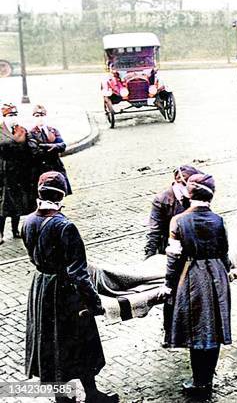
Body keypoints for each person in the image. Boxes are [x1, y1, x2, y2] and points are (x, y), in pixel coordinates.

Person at [22, 171, 117, 403]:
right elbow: (78, 273)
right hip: (66, 293)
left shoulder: (27, 222)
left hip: (41, 288)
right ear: (62, 195)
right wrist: (95, 303)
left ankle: (63, 398)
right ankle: (92, 394)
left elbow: (34, 258)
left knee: (50, 343)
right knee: (81, 341)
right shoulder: (65, 227)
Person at [157, 173, 231, 399]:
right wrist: (224, 271)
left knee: (196, 328)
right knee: (215, 326)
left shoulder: (178, 221)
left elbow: (173, 257)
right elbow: (225, 251)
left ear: (190, 194)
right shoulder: (219, 220)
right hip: (217, 275)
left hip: (191, 278)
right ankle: (207, 379)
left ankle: (198, 382)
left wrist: (168, 284)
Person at [144, 165, 202, 259]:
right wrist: (149, 258)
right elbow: (154, 232)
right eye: (186, 185)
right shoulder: (162, 200)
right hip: (170, 250)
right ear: (177, 181)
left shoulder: (196, 196)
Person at [0, 103, 36, 244]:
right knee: (2, 205)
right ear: (4, 117)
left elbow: (28, 148)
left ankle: (15, 230)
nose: (13, 118)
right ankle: (0, 233)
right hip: (3, 172)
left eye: (14, 115)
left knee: (17, 204)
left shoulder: (22, 130)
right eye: (10, 115)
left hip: (19, 173)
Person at [27, 104, 72, 195]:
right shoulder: (31, 133)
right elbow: (35, 151)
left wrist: (53, 146)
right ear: (33, 117)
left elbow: (62, 145)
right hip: (41, 168)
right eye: (37, 116)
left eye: (42, 115)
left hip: (55, 166)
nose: (40, 118)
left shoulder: (53, 131)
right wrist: (54, 147)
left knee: (59, 190)